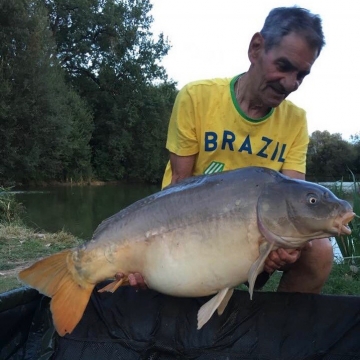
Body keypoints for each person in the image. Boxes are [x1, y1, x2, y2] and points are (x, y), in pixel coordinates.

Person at [126, 6, 333, 294]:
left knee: (320, 251)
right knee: (127, 268)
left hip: (256, 241)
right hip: (187, 235)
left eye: (301, 75)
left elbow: (295, 201)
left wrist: (292, 245)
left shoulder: (295, 120)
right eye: (284, 66)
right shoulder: (196, 97)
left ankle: (278, 333)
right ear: (256, 48)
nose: (290, 83)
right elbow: (178, 188)